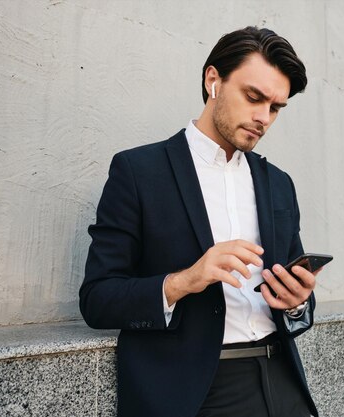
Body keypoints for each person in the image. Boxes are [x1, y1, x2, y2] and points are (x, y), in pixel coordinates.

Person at [80, 26, 323, 417]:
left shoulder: (279, 184)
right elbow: (97, 299)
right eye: (253, 97)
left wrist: (297, 302)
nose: (263, 117)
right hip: (195, 392)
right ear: (214, 81)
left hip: (282, 379)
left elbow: (296, 298)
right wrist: (186, 280)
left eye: (275, 108)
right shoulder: (139, 172)